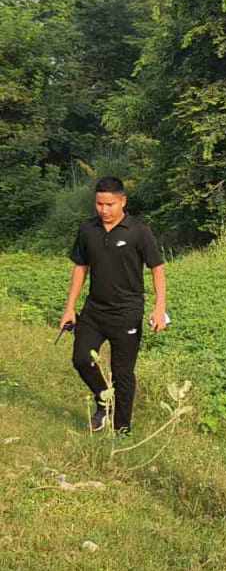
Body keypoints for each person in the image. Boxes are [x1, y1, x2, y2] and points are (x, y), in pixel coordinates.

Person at [60, 177, 168, 434]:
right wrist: (70, 307)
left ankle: (122, 429)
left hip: (127, 312)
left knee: (123, 373)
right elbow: (80, 267)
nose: (104, 210)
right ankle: (103, 402)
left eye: (110, 204)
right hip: (94, 310)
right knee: (81, 359)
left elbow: (157, 268)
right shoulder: (88, 229)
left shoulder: (139, 231)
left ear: (123, 202)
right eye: (99, 204)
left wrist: (159, 307)